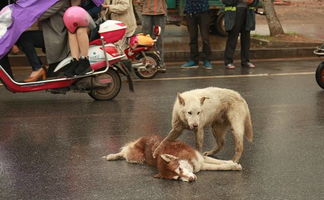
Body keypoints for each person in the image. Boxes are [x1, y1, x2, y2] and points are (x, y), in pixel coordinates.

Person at [62, 1, 97, 77]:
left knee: (80, 31)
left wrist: (82, 14)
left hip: (91, 21)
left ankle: (85, 60)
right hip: (74, 21)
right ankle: (75, 61)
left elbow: (98, 9)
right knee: (71, 32)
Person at [222, 0, 259, 69]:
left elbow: (256, 2)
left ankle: (245, 61)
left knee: (246, 39)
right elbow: (225, 1)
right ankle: (228, 61)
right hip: (234, 14)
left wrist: (252, 1)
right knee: (232, 38)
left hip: (247, 14)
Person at [181, 0, 213, 70]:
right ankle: (194, 60)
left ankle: (207, 60)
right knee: (192, 37)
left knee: (205, 38)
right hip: (190, 11)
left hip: (203, 11)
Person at [136, 0, 167, 72]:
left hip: (160, 12)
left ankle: (160, 63)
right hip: (146, 12)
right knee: (145, 40)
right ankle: (146, 62)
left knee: (159, 40)